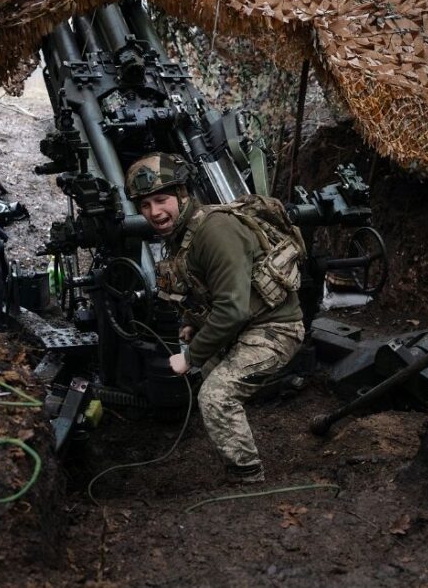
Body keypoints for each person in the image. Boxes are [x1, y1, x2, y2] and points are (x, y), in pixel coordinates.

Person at [125, 152, 305, 484]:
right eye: (145, 205)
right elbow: (210, 295)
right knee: (208, 377)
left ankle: (247, 477)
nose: (154, 213)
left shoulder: (215, 230)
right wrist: (193, 324)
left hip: (276, 329)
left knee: (215, 396)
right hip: (246, 327)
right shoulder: (182, 237)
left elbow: (233, 310)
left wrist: (191, 356)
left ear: (182, 194)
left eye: (161, 200)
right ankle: (230, 434)